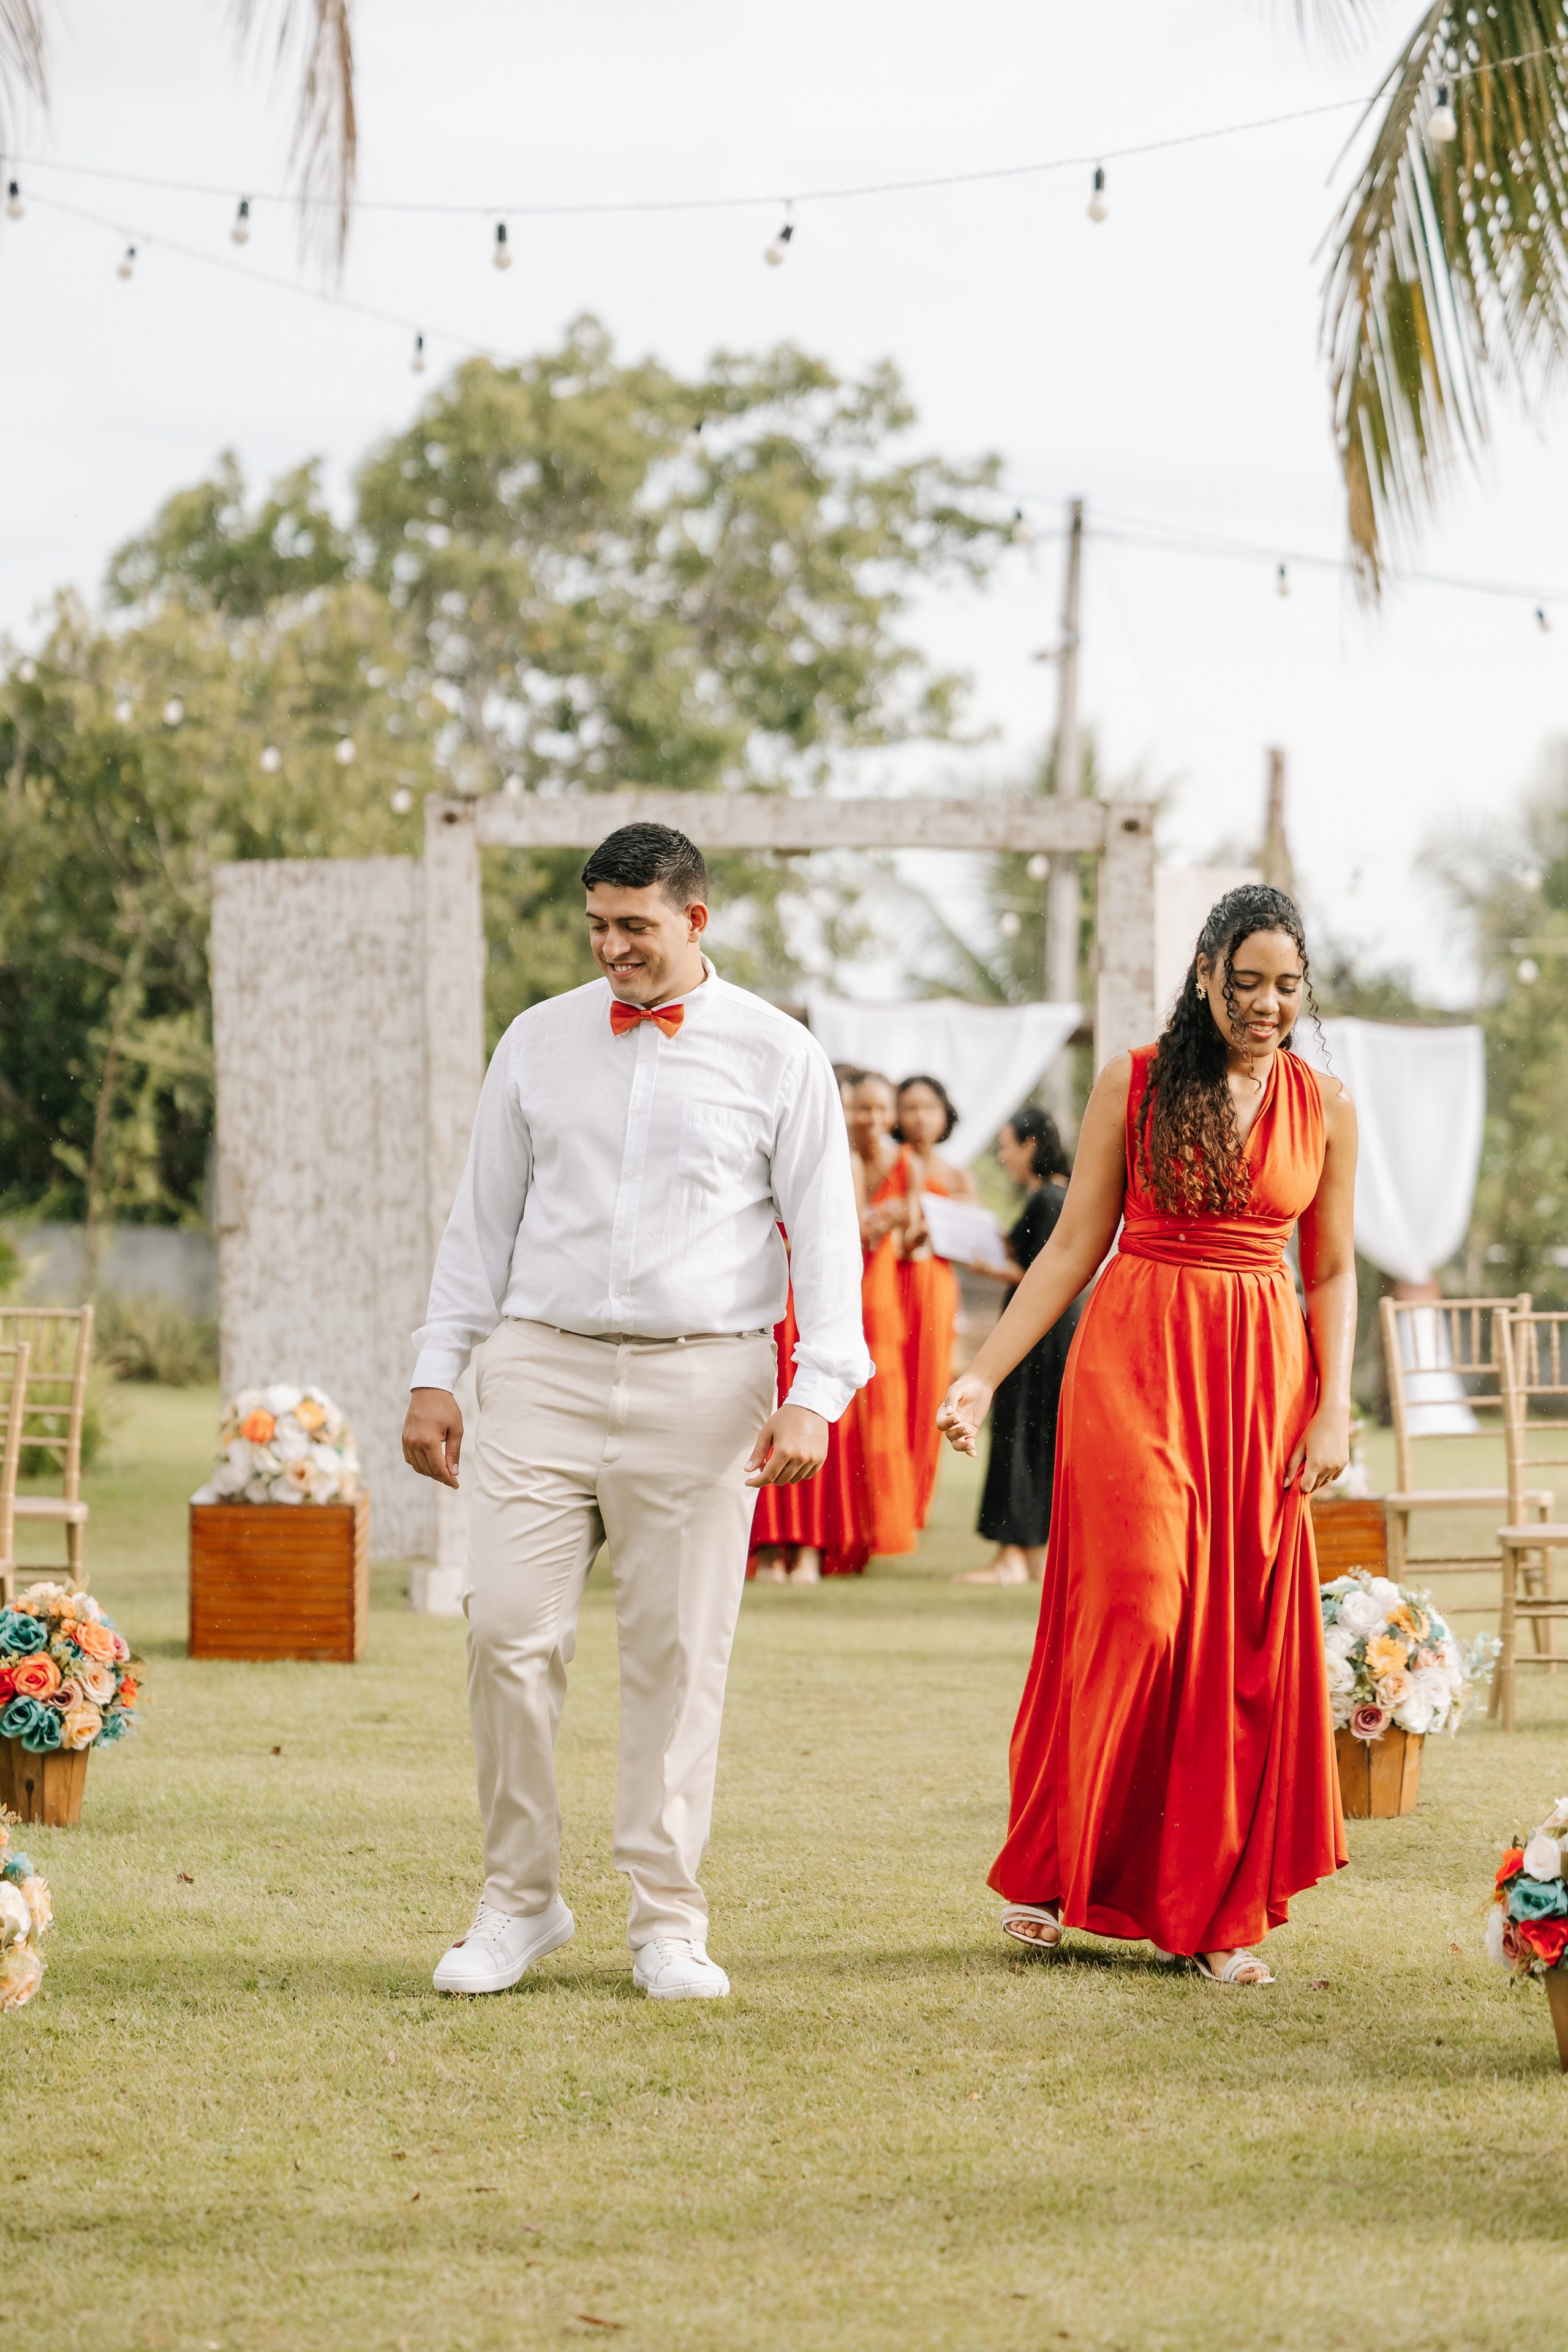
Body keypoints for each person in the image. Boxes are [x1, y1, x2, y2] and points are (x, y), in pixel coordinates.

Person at [403, 823, 869, 2001]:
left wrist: (816, 1393)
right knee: (506, 1631)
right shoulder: (537, 1041)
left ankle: (667, 1921)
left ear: (695, 920)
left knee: (675, 1657)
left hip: (706, 1385)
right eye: (599, 926)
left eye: (636, 928)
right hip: (540, 1369)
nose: (613, 948)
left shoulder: (780, 1054)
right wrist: (434, 1369)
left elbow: (825, 1241)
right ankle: (519, 1903)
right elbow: (480, 1224)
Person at [939, 884, 1355, 1988]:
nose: (1267, 1004)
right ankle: (1055, 1858)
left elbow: (1336, 1268)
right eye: (1247, 981)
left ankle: (1214, 1913)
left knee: (1237, 1641)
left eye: (1287, 985)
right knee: (1141, 1604)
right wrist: (981, 1378)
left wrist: (1337, 1400)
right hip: (1134, 1356)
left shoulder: (1328, 1106)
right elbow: (1074, 1247)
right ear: (1206, 975)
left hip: (1263, 1372)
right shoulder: (1134, 1081)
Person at [959, 1105, 1077, 1586]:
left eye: (1007, 1146)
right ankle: (1032, 1554)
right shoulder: (1055, 1196)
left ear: (1030, 1145)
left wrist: (989, 1268)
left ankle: (1011, 1554)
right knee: (1039, 1435)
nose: (1003, 1156)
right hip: (1049, 1332)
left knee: (1018, 1432)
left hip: (1035, 1334)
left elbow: (1043, 1275)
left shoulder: (1051, 1197)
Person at [818, 1071, 918, 1575]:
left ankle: (871, 1526)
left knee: (881, 1406)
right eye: (863, 1109)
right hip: (844, 1283)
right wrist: (880, 1220)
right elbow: (852, 1227)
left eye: (882, 1110)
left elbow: (916, 1237)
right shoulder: (838, 1155)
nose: (872, 1119)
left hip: (881, 1289)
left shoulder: (906, 1163)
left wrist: (902, 1222)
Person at [892, 1076, 977, 1528]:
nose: (920, 1116)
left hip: (935, 1286)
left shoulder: (958, 1175)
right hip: (889, 1280)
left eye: (929, 1107)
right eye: (909, 1107)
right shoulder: (888, 1165)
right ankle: (885, 1498)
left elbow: (974, 1240)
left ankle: (914, 1504)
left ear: (945, 1114)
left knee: (927, 1390)